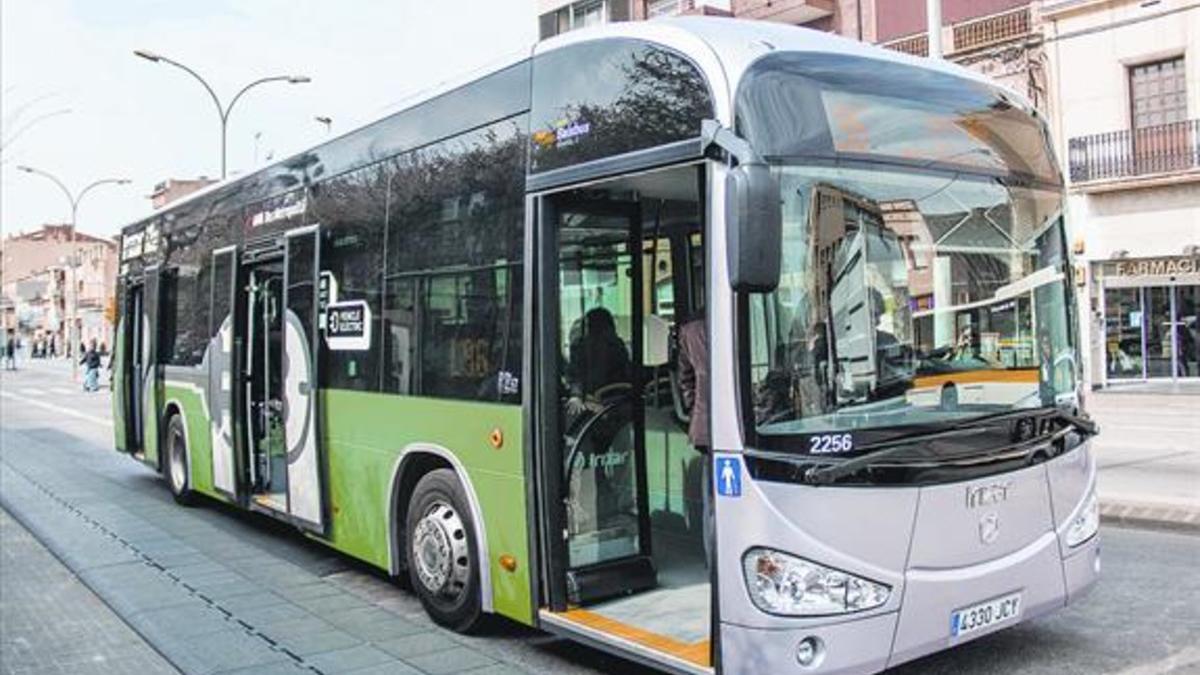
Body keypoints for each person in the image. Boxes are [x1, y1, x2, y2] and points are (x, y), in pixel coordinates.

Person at [677, 309, 712, 566]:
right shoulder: (748, 312)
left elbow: (685, 379)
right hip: (744, 425)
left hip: (706, 427)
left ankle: (714, 558)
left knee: (712, 499)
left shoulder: (690, 330)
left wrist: (696, 410)